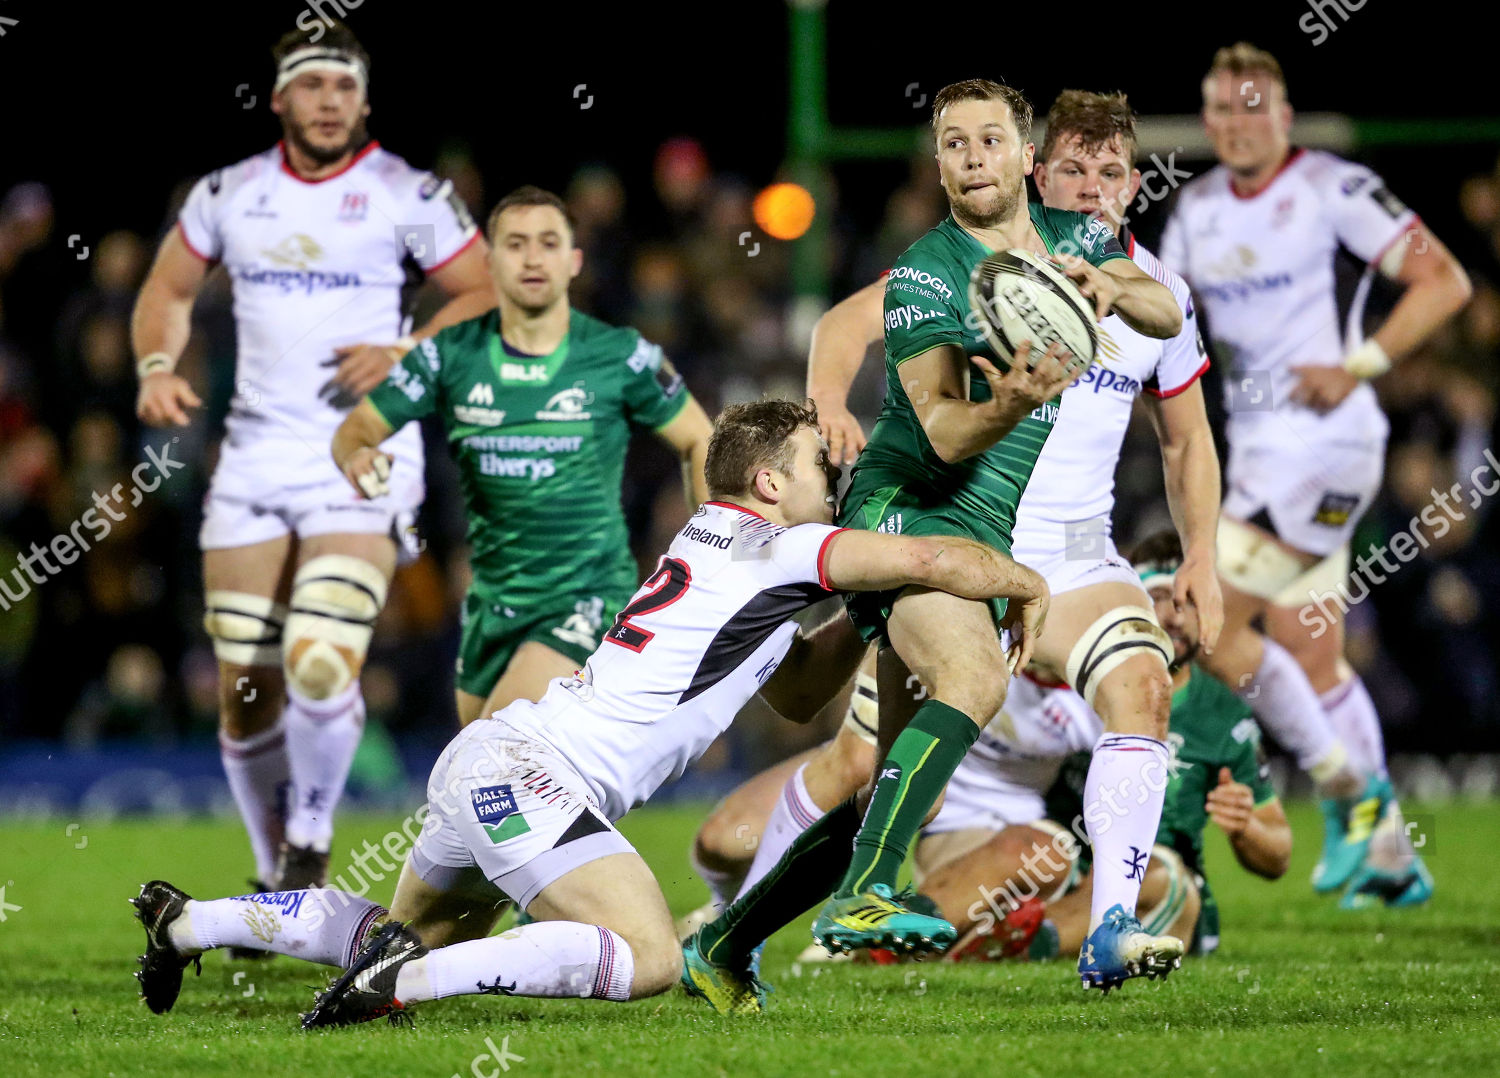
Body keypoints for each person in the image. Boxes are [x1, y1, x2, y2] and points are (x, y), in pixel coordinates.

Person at [129, 400, 1049, 1023]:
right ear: (770, 483)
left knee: (398, 928)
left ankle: (190, 923)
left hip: (495, 760)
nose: (833, 480)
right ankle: (402, 985)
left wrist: (863, 618)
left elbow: (801, 690)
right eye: (817, 463)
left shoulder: (717, 544)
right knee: (648, 956)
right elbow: (933, 562)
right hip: (537, 778)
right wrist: (1021, 578)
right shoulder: (781, 545)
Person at [688, 87, 1205, 993]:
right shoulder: (935, 268)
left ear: (1018, 154)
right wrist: (996, 398)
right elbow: (941, 433)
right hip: (913, 510)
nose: (974, 157)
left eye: (989, 140)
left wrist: (1110, 286)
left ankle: (725, 945)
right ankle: (871, 893)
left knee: (888, 781)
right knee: (957, 690)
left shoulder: (1079, 249)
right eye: (954, 143)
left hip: (1021, 538)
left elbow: (1162, 317)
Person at [130, 23, 493, 893]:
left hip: (359, 450)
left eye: (344, 85)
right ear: (279, 99)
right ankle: (272, 876)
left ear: (363, 101)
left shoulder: (408, 191)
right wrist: (153, 367)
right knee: (244, 685)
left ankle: (311, 836)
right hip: (255, 459)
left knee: (321, 653)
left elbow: (483, 289)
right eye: (312, 84)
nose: (329, 100)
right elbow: (165, 290)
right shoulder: (228, 193)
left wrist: (408, 351)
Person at [1160, 43, 1471, 906]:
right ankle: (1388, 856)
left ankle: (1354, 800)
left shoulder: (1333, 188)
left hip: (1327, 444)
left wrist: (1359, 363)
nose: (1236, 122)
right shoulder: (1195, 211)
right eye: (1221, 108)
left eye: (1253, 106)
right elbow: (1170, 325)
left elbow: (1443, 282)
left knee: (1206, 617)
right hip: (1259, 448)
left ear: (1285, 116)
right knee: (1309, 649)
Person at [333, 185, 713, 726]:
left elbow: (701, 439)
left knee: (493, 752)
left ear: (574, 260)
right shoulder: (451, 354)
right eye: (515, 244)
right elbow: (357, 428)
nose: (533, 257)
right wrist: (357, 457)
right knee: (484, 782)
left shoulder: (619, 355)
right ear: (489, 262)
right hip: (492, 606)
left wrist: (703, 558)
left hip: (586, 599)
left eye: (548, 242)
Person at [915, 530, 1291, 964]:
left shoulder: (1223, 717)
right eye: (1162, 598)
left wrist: (1247, 827)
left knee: (1162, 872)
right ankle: (882, 939)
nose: (1175, 616)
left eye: (1190, 601)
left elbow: (1278, 854)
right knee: (1029, 846)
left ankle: (1023, 945)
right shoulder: (1084, 682)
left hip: (1154, 890)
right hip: (1067, 867)